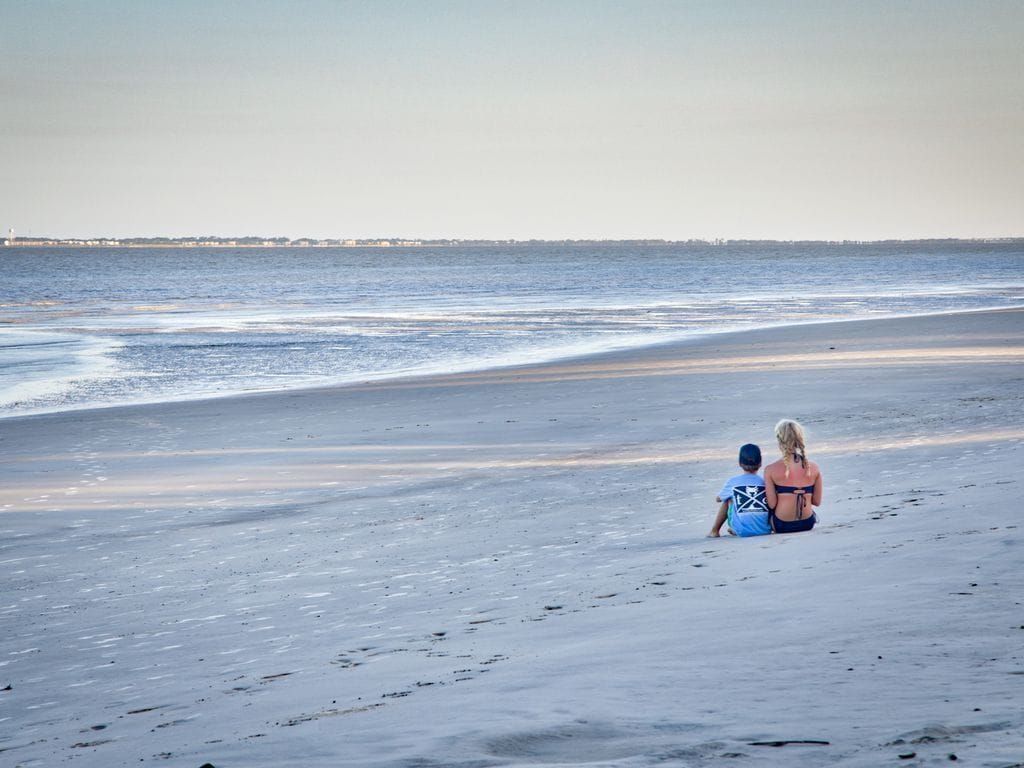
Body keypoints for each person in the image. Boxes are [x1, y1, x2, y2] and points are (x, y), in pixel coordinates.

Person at [764, 419, 822, 533]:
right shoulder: (814, 468)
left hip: (781, 525)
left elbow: (772, 504)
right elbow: (816, 502)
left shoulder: (770, 470)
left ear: (779, 440)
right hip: (808, 523)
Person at [707, 443, 771, 538]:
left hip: (742, 531)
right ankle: (738, 528)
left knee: (727, 499)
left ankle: (714, 531)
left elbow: (718, 499)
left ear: (740, 463)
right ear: (760, 463)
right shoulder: (764, 482)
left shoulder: (733, 481)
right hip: (764, 529)